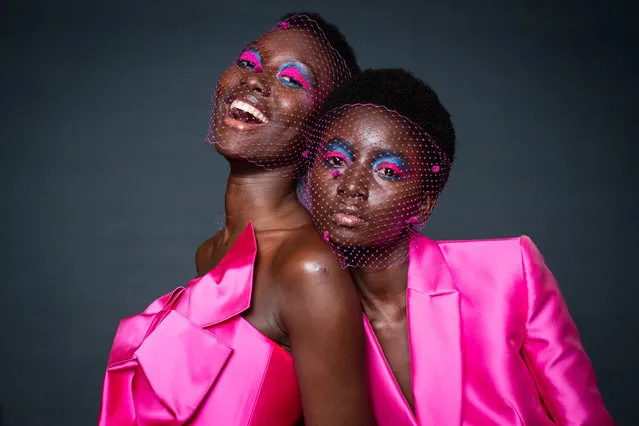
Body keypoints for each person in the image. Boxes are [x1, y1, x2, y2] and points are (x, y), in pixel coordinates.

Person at [98, 14, 375, 426]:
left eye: (292, 79)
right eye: (248, 62)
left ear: (321, 131)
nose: (254, 80)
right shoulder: (211, 252)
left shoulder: (307, 270)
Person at [300, 68, 615, 425]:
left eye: (387, 170)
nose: (352, 186)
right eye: (336, 161)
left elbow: (583, 416)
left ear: (423, 203)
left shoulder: (510, 274)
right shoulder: (305, 313)